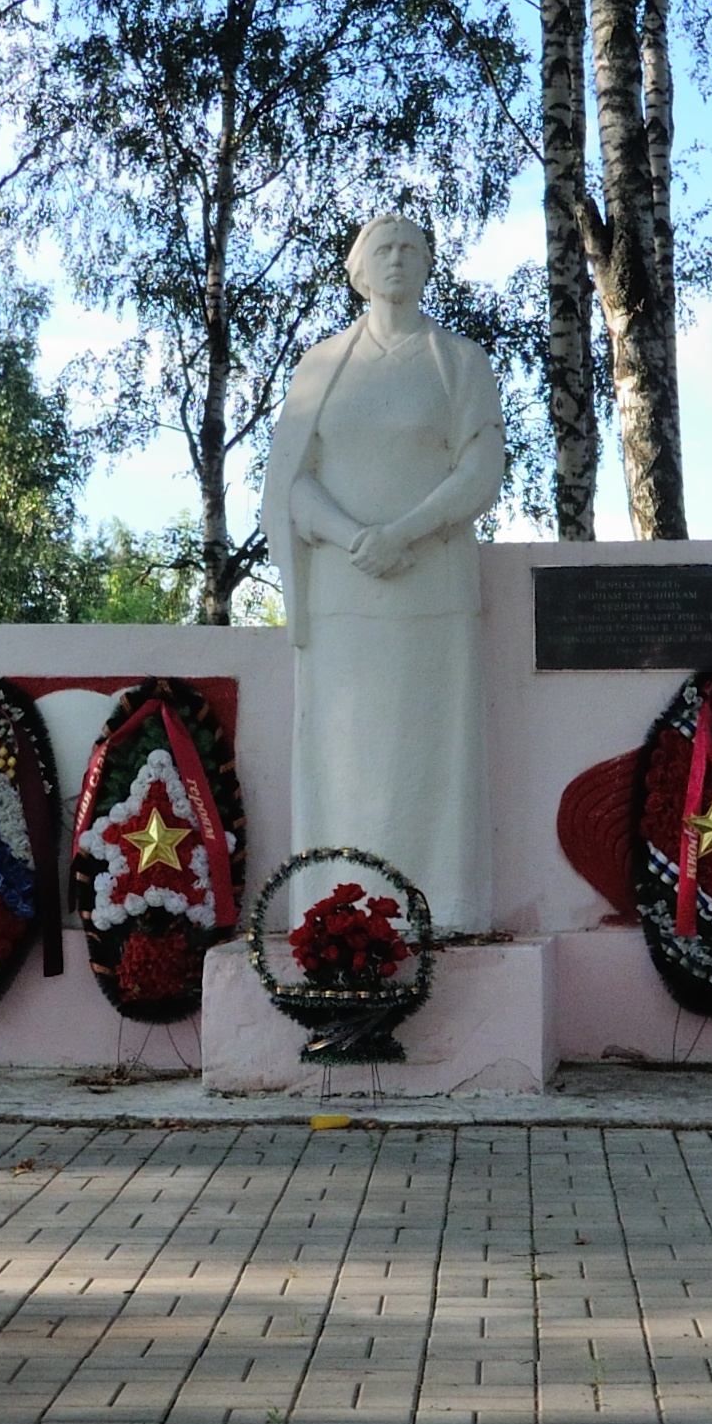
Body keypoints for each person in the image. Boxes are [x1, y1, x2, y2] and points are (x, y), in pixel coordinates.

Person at [258, 214, 509, 933]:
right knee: (345, 758)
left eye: (410, 249)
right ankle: (334, 911)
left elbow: (481, 469)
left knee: (434, 749)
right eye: (382, 249)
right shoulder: (320, 366)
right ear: (358, 270)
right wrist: (353, 537)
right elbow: (290, 484)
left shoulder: (458, 361)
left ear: (429, 265)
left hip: (432, 590)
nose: (397, 260)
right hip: (342, 598)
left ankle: (443, 908)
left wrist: (403, 534)